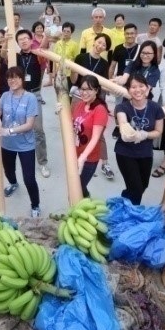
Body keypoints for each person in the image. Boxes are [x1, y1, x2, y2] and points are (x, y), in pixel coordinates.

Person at [0, 67, 42, 217]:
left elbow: (30, 125)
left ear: (22, 79)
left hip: (25, 145)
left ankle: (35, 205)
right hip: (7, 144)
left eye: (15, 77)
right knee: (8, 170)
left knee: (29, 178)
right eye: (9, 78)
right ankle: (13, 184)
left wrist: (8, 131)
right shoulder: (4, 96)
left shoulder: (30, 98)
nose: (12, 80)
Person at [114, 74, 165, 205]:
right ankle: (132, 214)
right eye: (133, 87)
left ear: (148, 88)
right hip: (125, 153)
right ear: (128, 90)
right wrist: (128, 132)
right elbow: (123, 122)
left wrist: (144, 134)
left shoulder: (155, 108)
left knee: (143, 185)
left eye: (141, 86)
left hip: (145, 153)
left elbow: (158, 131)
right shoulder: (122, 107)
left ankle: (124, 199)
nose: (137, 90)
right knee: (136, 189)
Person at [71, 32, 114, 179]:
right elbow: (74, 80)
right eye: (99, 42)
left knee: (97, 133)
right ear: (94, 41)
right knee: (76, 127)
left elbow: (104, 84)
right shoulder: (81, 57)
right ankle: (75, 154)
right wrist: (72, 70)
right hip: (78, 96)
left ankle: (105, 162)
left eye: (104, 45)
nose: (100, 46)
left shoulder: (104, 63)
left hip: (95, 98)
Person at [15, 29, 50, 177]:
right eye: (20, 39)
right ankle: (23, 159)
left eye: (26, 38)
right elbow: (3, 56)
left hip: (34, 94)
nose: (23, 41)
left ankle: (42, 163)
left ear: (31, 40)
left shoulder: (38, 55)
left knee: (38, 130)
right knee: (19, 128)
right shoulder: (15, 57)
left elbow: (45, 46)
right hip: (18, 95)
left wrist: (47, 35)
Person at [69, 75, 108, 198]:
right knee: (77, 188)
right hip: (74, 153)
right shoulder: (79, 105)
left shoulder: (100, 109)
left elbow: (96, 138)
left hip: (89, 158)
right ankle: (87, 201)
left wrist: (82, 158)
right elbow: (71, 125)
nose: (84, 92)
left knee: (77, 189)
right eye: (82, 89)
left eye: (89, 89)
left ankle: (86, 206)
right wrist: (61, 111)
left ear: (96, 90)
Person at [52, 22, 80, 89]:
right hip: (58, 73)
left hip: (68, 74)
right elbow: (54, 59)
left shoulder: (74, 45)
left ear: (71, 33)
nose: (65, 33)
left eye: (68, 31)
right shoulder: (58, 43)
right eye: (64, 31)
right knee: (59, 94)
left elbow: (77, 60)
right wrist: (54, 72)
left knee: (67, 95)